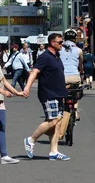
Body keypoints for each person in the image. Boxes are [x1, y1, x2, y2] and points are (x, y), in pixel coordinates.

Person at [22, 33, 70, 161]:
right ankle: (31, 139)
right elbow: (34, 72)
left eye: (62, 42)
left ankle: (54, 151)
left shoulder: (56, 56)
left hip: (59, 93)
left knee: (57, 123)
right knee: (53, 120)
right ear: (52, 43)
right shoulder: (45, 57)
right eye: (60, 42)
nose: (62, 44)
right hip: (49, 93)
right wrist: (27, 87)